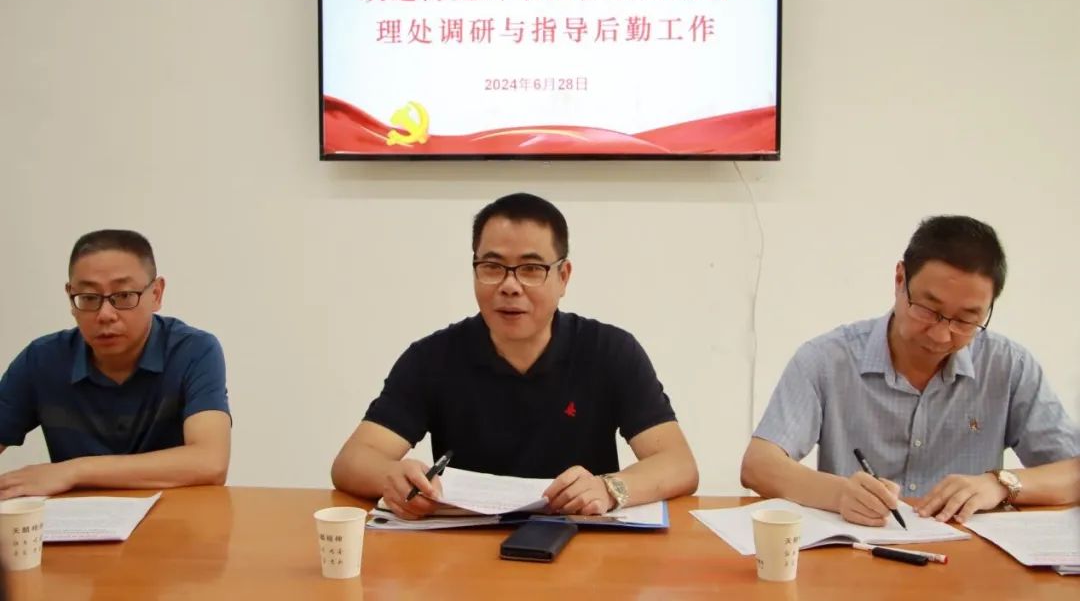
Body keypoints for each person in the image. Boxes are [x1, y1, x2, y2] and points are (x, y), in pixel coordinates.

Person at [332, 193, 698, 519]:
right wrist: (393, 477)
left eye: (531, 269)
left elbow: (678, 463)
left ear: (563, 276)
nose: (510, 286)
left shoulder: (610, 351)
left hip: (583, 543)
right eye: (492, 267)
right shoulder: (431, 358)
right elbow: (352, 461)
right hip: (463, 548)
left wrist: (610, 488)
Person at [741, 216, 1080, 526]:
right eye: (929, 309)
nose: (942, 335)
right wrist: (839, 493)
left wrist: (1001, 484)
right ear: (900, 279)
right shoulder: (828, 359)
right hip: (861, 552)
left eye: (966, 320)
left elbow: (1073, 472)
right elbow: (759, 465)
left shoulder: (1008, 365)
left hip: (969, 558)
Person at [0, 230, 231, 499]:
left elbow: (210, 462)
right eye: (89, 297)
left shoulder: (193, 351)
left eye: (123, 296)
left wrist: (74, 471)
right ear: (71, 298)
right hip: (78, 521)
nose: (105, 315)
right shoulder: (41, 360)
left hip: (177, 517)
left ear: (156, 294)